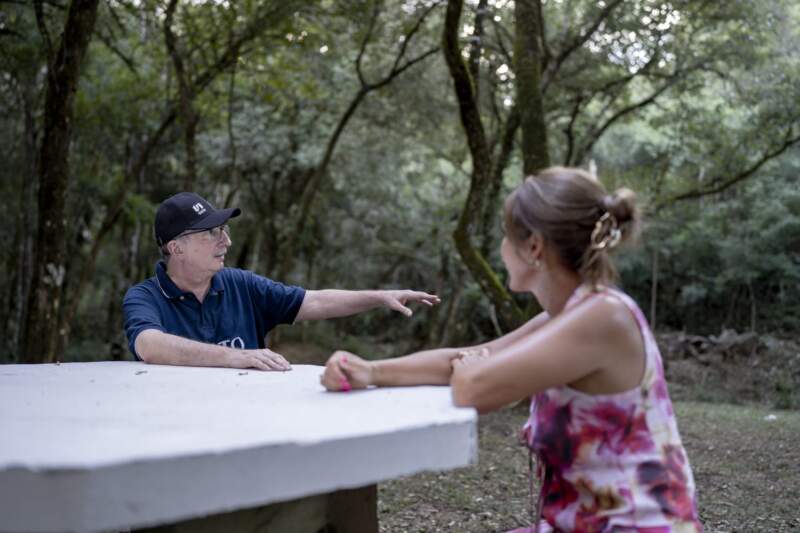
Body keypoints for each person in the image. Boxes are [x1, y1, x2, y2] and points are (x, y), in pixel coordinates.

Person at [321, 167, 702, 531]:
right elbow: (466, 359)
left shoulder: (603, 318)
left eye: (506, 235)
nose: (501, 248)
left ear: (533, 246)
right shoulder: (567, 316)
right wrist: (371, 371)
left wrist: (471, 367)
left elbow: (473, 387)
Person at [123, 192, 439, 371]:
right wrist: (237, 357)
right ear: (176, 248)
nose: (226, 242)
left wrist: (378, 297)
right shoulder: (145, 297)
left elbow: (312, 301)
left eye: (224, 231)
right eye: (212, 233)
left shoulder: (240, 284)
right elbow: (150, 345)